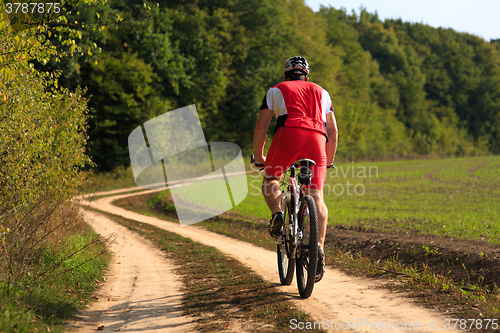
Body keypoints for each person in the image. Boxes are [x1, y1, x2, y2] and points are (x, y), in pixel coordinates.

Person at [253, 56, 338, 282]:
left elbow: (262, 126)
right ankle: (318, 248)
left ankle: (278, 214)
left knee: (270, 178)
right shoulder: (322, 92)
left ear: (285, 76)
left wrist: (259, 156)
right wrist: (328, 161)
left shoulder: (276, 89)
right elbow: (334, 131)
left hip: (288, 135)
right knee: (316, 195)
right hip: (317, 140)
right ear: (306, 76)